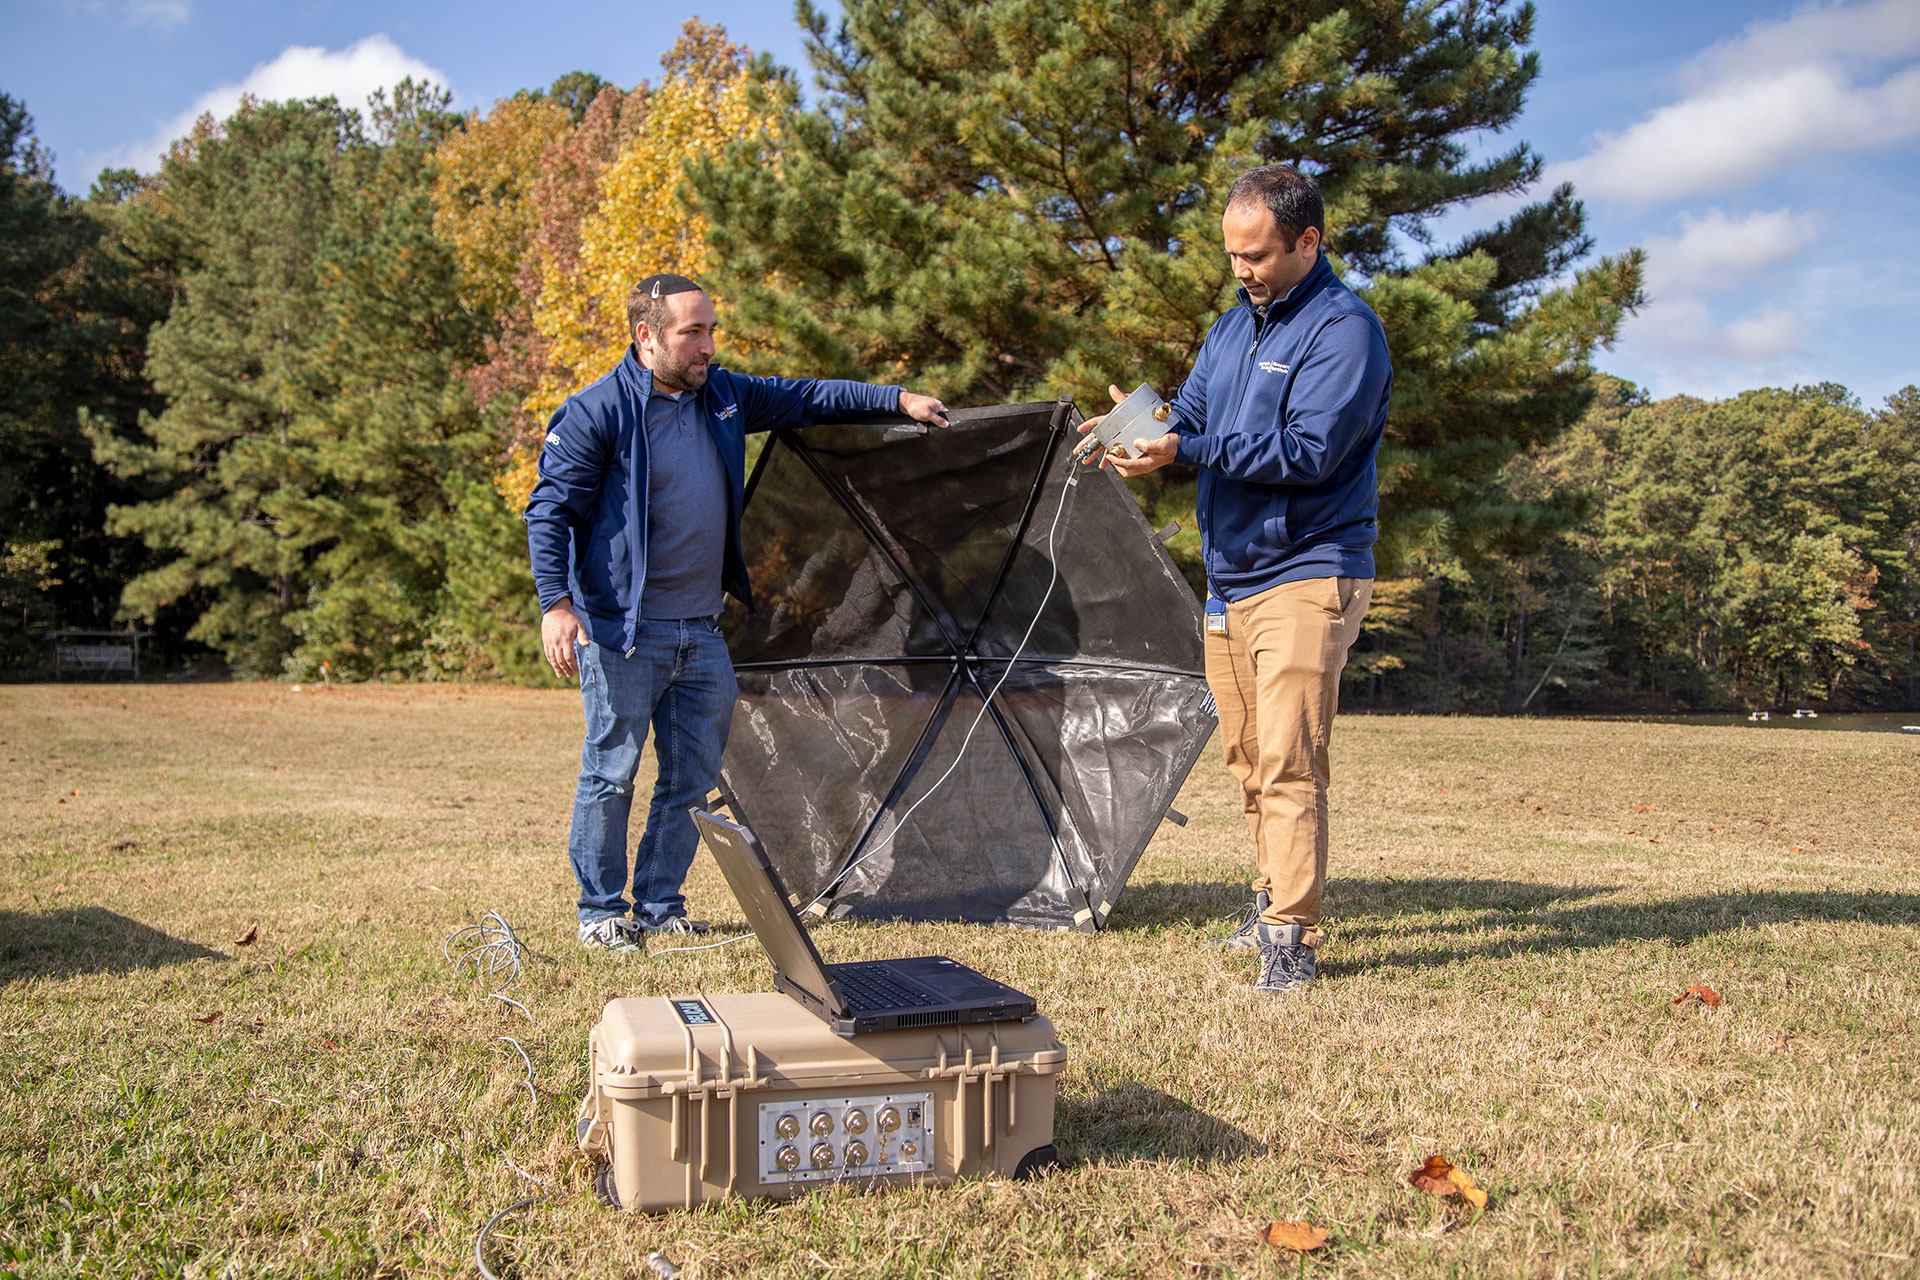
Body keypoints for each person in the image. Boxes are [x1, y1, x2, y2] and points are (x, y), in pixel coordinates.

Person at [526, 273, 950, 953]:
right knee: (611, 773)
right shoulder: (595, 412)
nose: (708, 346)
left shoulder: (721, 395)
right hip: (623, 633)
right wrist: (557, 603)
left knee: (691, 780)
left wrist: (895, 398)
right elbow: (549, 512)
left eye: (712, 330)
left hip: (702, 632)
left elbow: (807, 396)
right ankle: (601, 913)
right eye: (693, 332)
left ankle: (661, 904)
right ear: (647, 335)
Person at [1080, 165, 1392, 994]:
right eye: (1232, 256)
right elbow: (1196, 414)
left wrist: (1185, 447)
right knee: (1250, 758)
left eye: (1256, 255)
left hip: (1309, 568)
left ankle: (1290, 937)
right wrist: (1141, 427)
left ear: (1308, 242)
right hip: (1233, 577)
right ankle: (1267, 902)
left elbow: (1309, 451)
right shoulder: (1232, 328)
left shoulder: (1344, 332)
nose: (1242, 270)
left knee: (1290, 757)